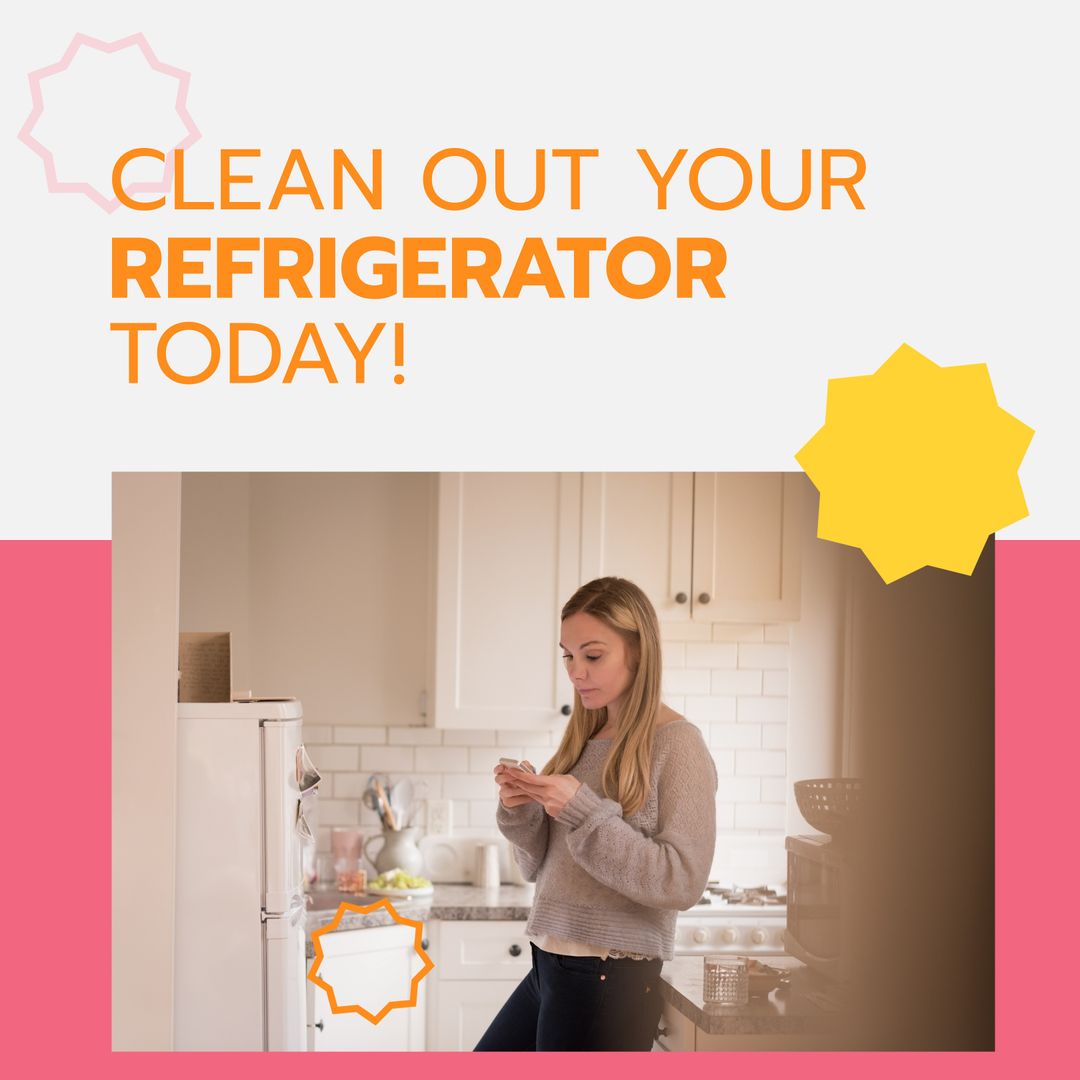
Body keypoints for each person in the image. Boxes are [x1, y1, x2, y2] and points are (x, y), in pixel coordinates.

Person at [474, 576, 718, 1052]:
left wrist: (584, 813)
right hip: (551, 963)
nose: (575, 671)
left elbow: (683, 882)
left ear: (638, 652)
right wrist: (520, 808)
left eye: (592, 655)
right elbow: (537, 868)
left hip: (607, 975)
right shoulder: (585, 738)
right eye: (568, 655)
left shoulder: (678, 745)